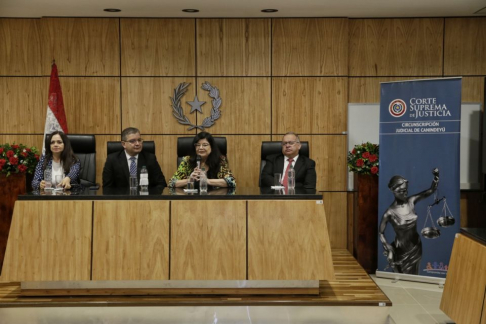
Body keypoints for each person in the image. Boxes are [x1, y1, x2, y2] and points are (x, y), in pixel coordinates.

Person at [379, 168, 439, 274]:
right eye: (401, 191)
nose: (405, 193)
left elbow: (430, 191)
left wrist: (436, 178)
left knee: (414, 275)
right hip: (400, 250)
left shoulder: (411, 202)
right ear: (393, 191)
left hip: (416, 247)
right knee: (402, 278)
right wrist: (387, 247)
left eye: (406, 190)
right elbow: (381, 232)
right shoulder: (389, 213)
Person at [102, 127, 167, 188]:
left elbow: (161, 184)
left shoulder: (150, 158)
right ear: (123, 144)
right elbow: (107, 187)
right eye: (132, 141)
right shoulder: (112, 159)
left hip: (145, 198)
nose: (137, 144)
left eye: (139, 140)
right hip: (121, 198)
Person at [169, 132, 236, 188]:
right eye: (197, 145)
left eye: (205, 145)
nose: (200, 148)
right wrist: (190, 180)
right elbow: (172, 183)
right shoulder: (187, 161)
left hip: (214, 198)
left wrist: (207, 181)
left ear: (211, 147)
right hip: (191, 198)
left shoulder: (220, 160)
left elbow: (231, 182)